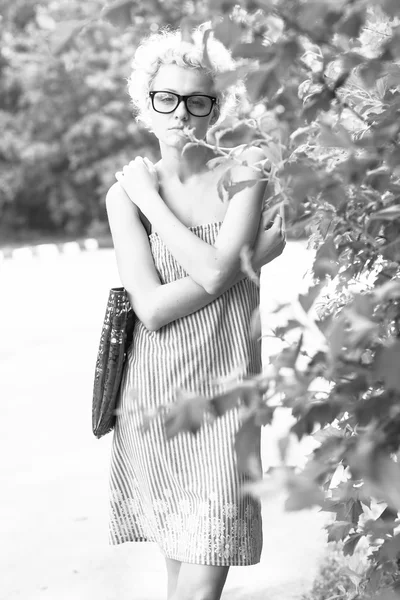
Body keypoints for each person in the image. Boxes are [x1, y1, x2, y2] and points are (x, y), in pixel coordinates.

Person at [105, 25, 285, 600]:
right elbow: (153, 310)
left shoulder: (245, 169)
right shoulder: (121, 197)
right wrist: (252, 258)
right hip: (156, 400)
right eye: (167, 99)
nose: (182, 114)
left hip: (227, 399)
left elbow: (211, 273)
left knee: (200, 587)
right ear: (145, 104)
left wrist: (152, 202)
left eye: (198, 100)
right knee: (182, 582)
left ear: (217, 106)